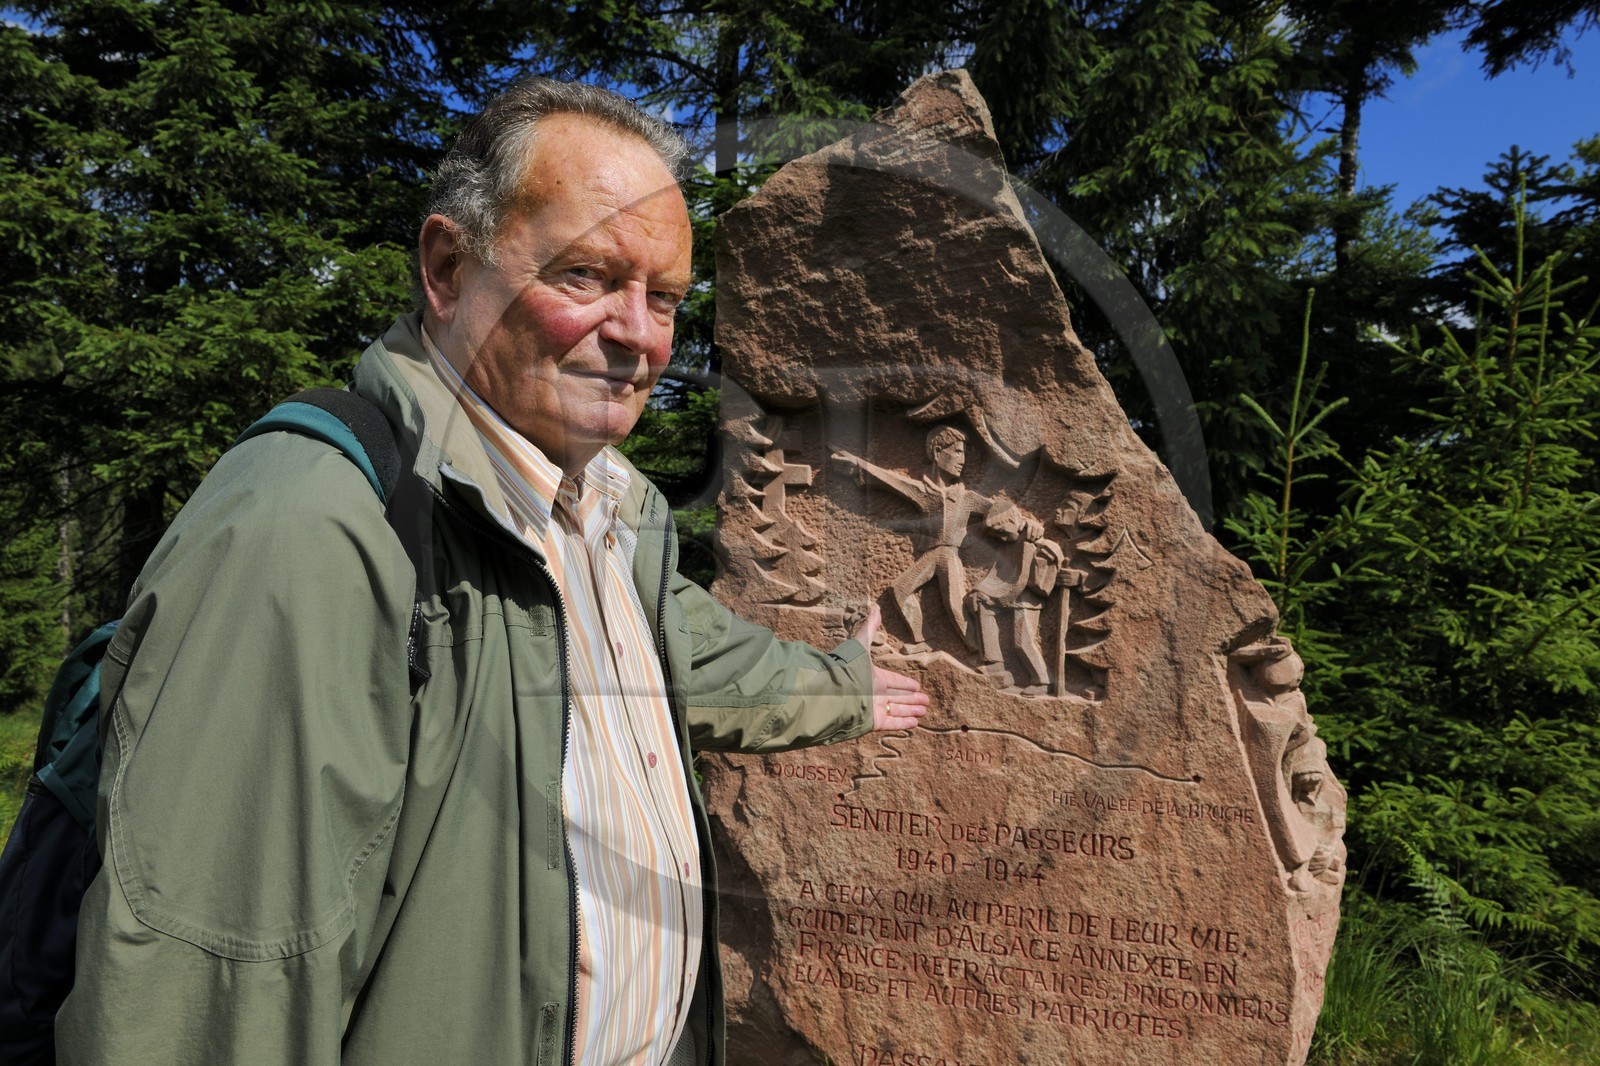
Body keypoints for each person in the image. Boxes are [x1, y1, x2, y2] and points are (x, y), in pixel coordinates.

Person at [57, 79, 927, 1065]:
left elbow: (698, 658)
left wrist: (845, 685)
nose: (639, 334)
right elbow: (206, 993)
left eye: (667, 298)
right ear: (446, 268)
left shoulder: (603, 519)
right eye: (588, 276)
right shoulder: (317, 533)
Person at [831, 425, 991, 654]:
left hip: (949, 555)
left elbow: (999, 509)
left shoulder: (966, 498)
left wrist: (1026, 524)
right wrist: (857, 463)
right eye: (957, 452)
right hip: (932, 555)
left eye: (964, 452)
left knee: (956, 606)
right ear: (937, 453)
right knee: (900, 590)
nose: (962, 459)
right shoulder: (924, 492)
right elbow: (889, 479)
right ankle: (924, 639)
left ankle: (983, 654)